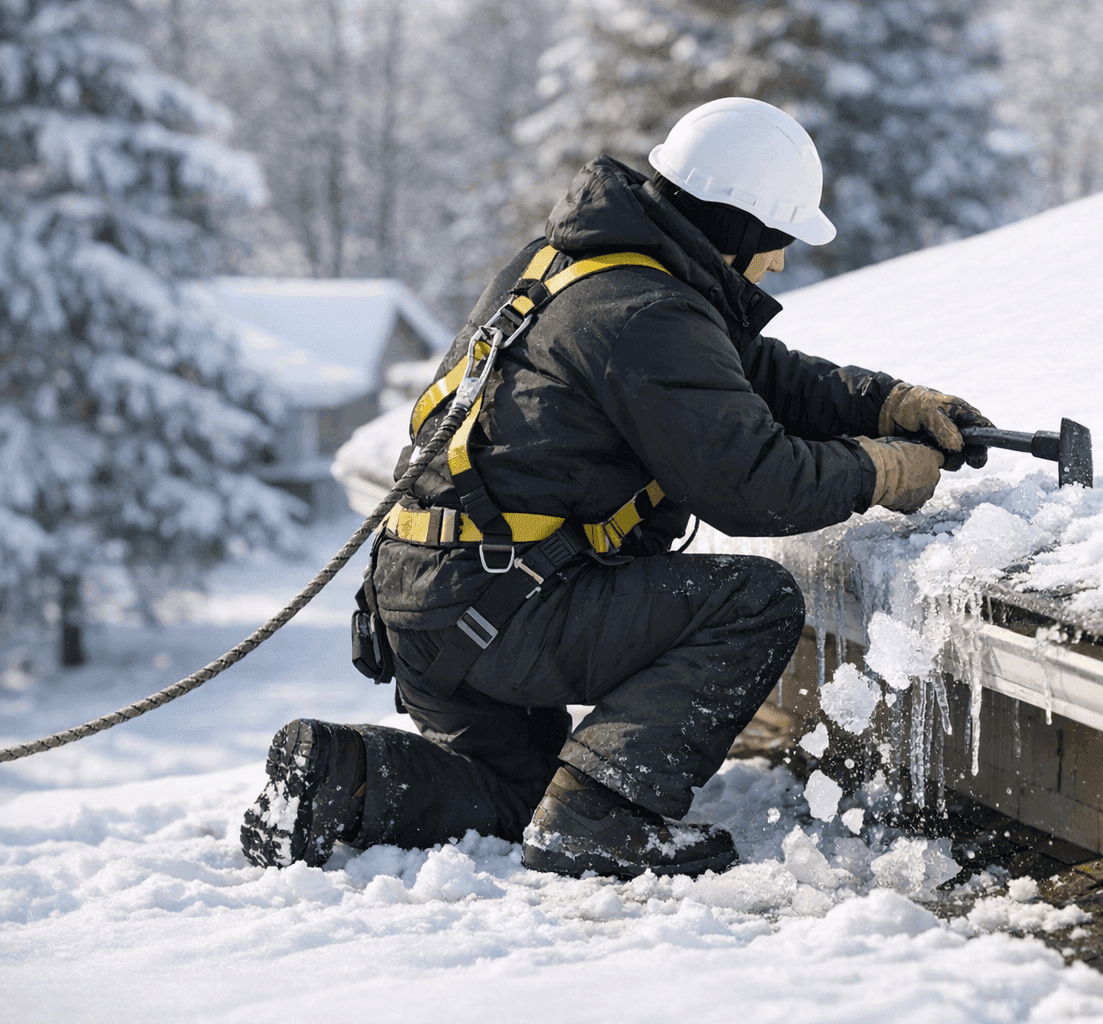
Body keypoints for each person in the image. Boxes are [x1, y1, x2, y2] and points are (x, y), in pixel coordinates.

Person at [240, 97, 992, 879]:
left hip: (430, 602)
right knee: (753, 602)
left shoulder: (574, 265)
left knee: (514, 795)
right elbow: (755, 484)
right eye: (776, 241)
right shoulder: (648, 312)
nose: (778, 264)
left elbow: (744, 376)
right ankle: (602, 819)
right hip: (502, 603)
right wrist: (884, 470)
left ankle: (335, 779)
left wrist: (886, 400)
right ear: (740, 227)